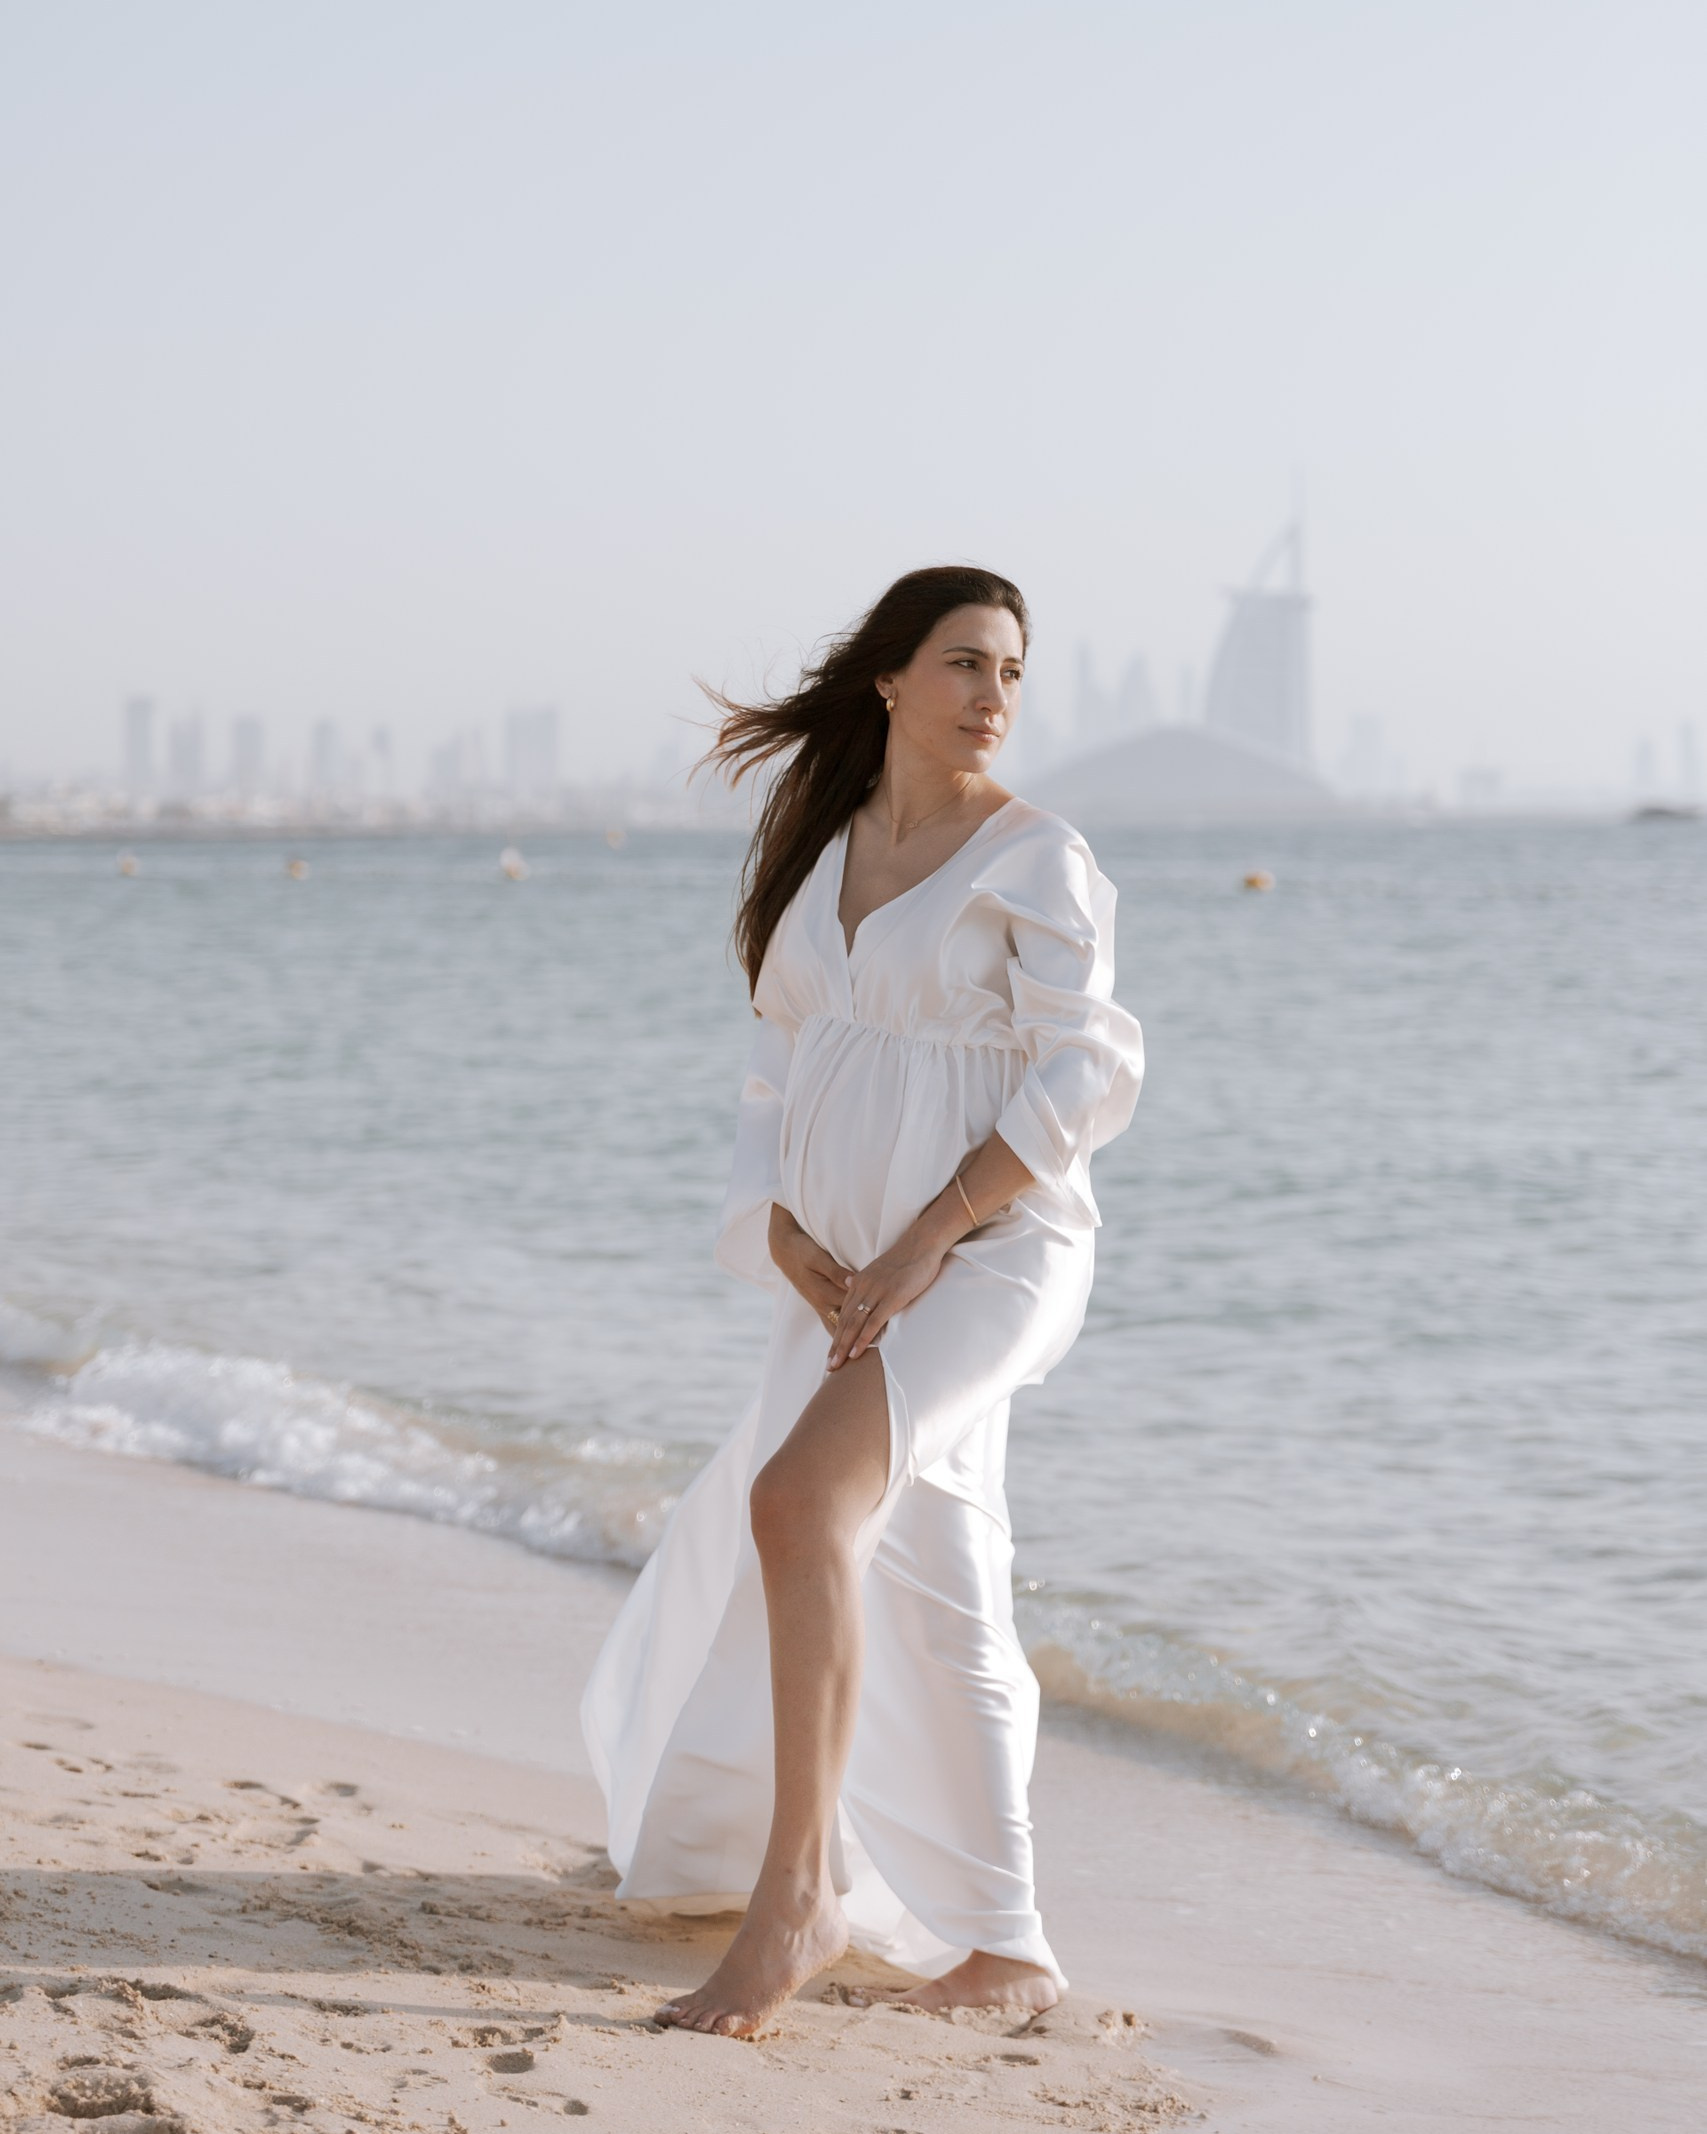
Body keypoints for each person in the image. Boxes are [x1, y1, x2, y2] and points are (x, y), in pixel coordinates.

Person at [582, 565, 1144, 2037]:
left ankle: (797, 1899)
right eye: (965, 662)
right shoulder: (823, 845)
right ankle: (1007, 1946)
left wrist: (928, 1239)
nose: (994, 696)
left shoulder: (1039, 854)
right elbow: (779, 1066)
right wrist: (775, 1227)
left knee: (798, 1504)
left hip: (994, 1251)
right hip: (842, 1263)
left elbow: (1087, 1076)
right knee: (938, 1562)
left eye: (1011, 671)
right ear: (889, 679)